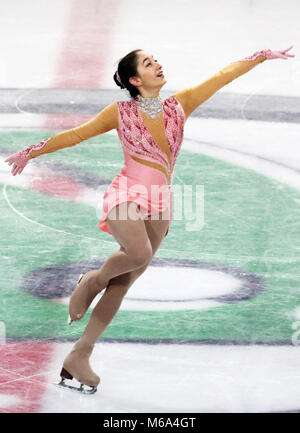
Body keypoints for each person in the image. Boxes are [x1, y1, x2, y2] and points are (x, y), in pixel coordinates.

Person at [4, 45, 295, 394]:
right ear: (134, 79)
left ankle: (81, 354)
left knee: (124, 282)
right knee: (138, 254)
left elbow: (220, 78)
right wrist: (31, 152)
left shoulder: (178, 105)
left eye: (155, 60)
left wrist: (259, 56)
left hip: (160, 202)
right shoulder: (120, 112)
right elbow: (76, 134)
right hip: (126, 193)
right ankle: (91, 280)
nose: (157, 64)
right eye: (148, 63)